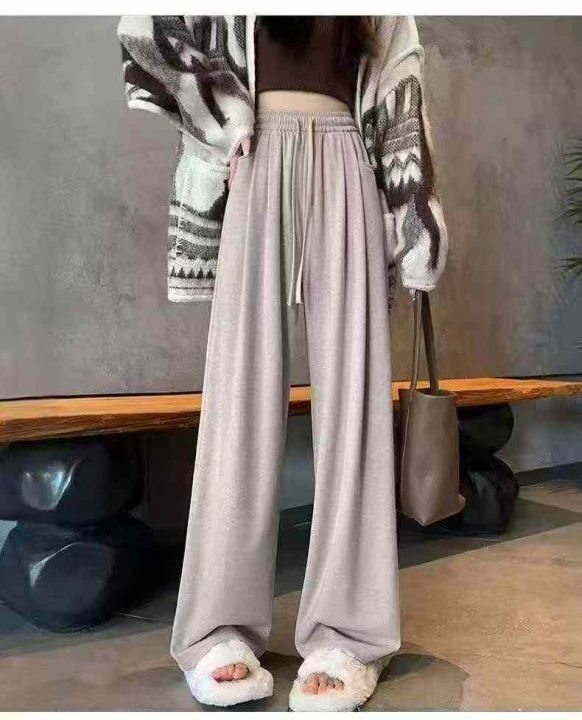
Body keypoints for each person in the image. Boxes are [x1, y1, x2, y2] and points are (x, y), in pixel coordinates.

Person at [117, 15, 448, 712]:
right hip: (257, 159)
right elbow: (149, 28)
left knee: (355, 407)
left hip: (346, 160)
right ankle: (218, 630)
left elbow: (401, 90)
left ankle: (348, 636)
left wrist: (415, 226)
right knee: (238, 405)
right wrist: (223, 115)